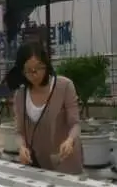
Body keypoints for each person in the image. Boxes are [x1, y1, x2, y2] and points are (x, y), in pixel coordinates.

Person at [5, 42, 82, 174]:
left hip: (65, 162)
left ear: (46, 65)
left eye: (39, 68)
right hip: (37, 165)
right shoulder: (21, 95)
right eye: (28, 70)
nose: (34, 74)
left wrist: (70, 141)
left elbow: (75, 124)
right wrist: (21, 147)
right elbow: (19, 131)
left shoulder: (64, 86)